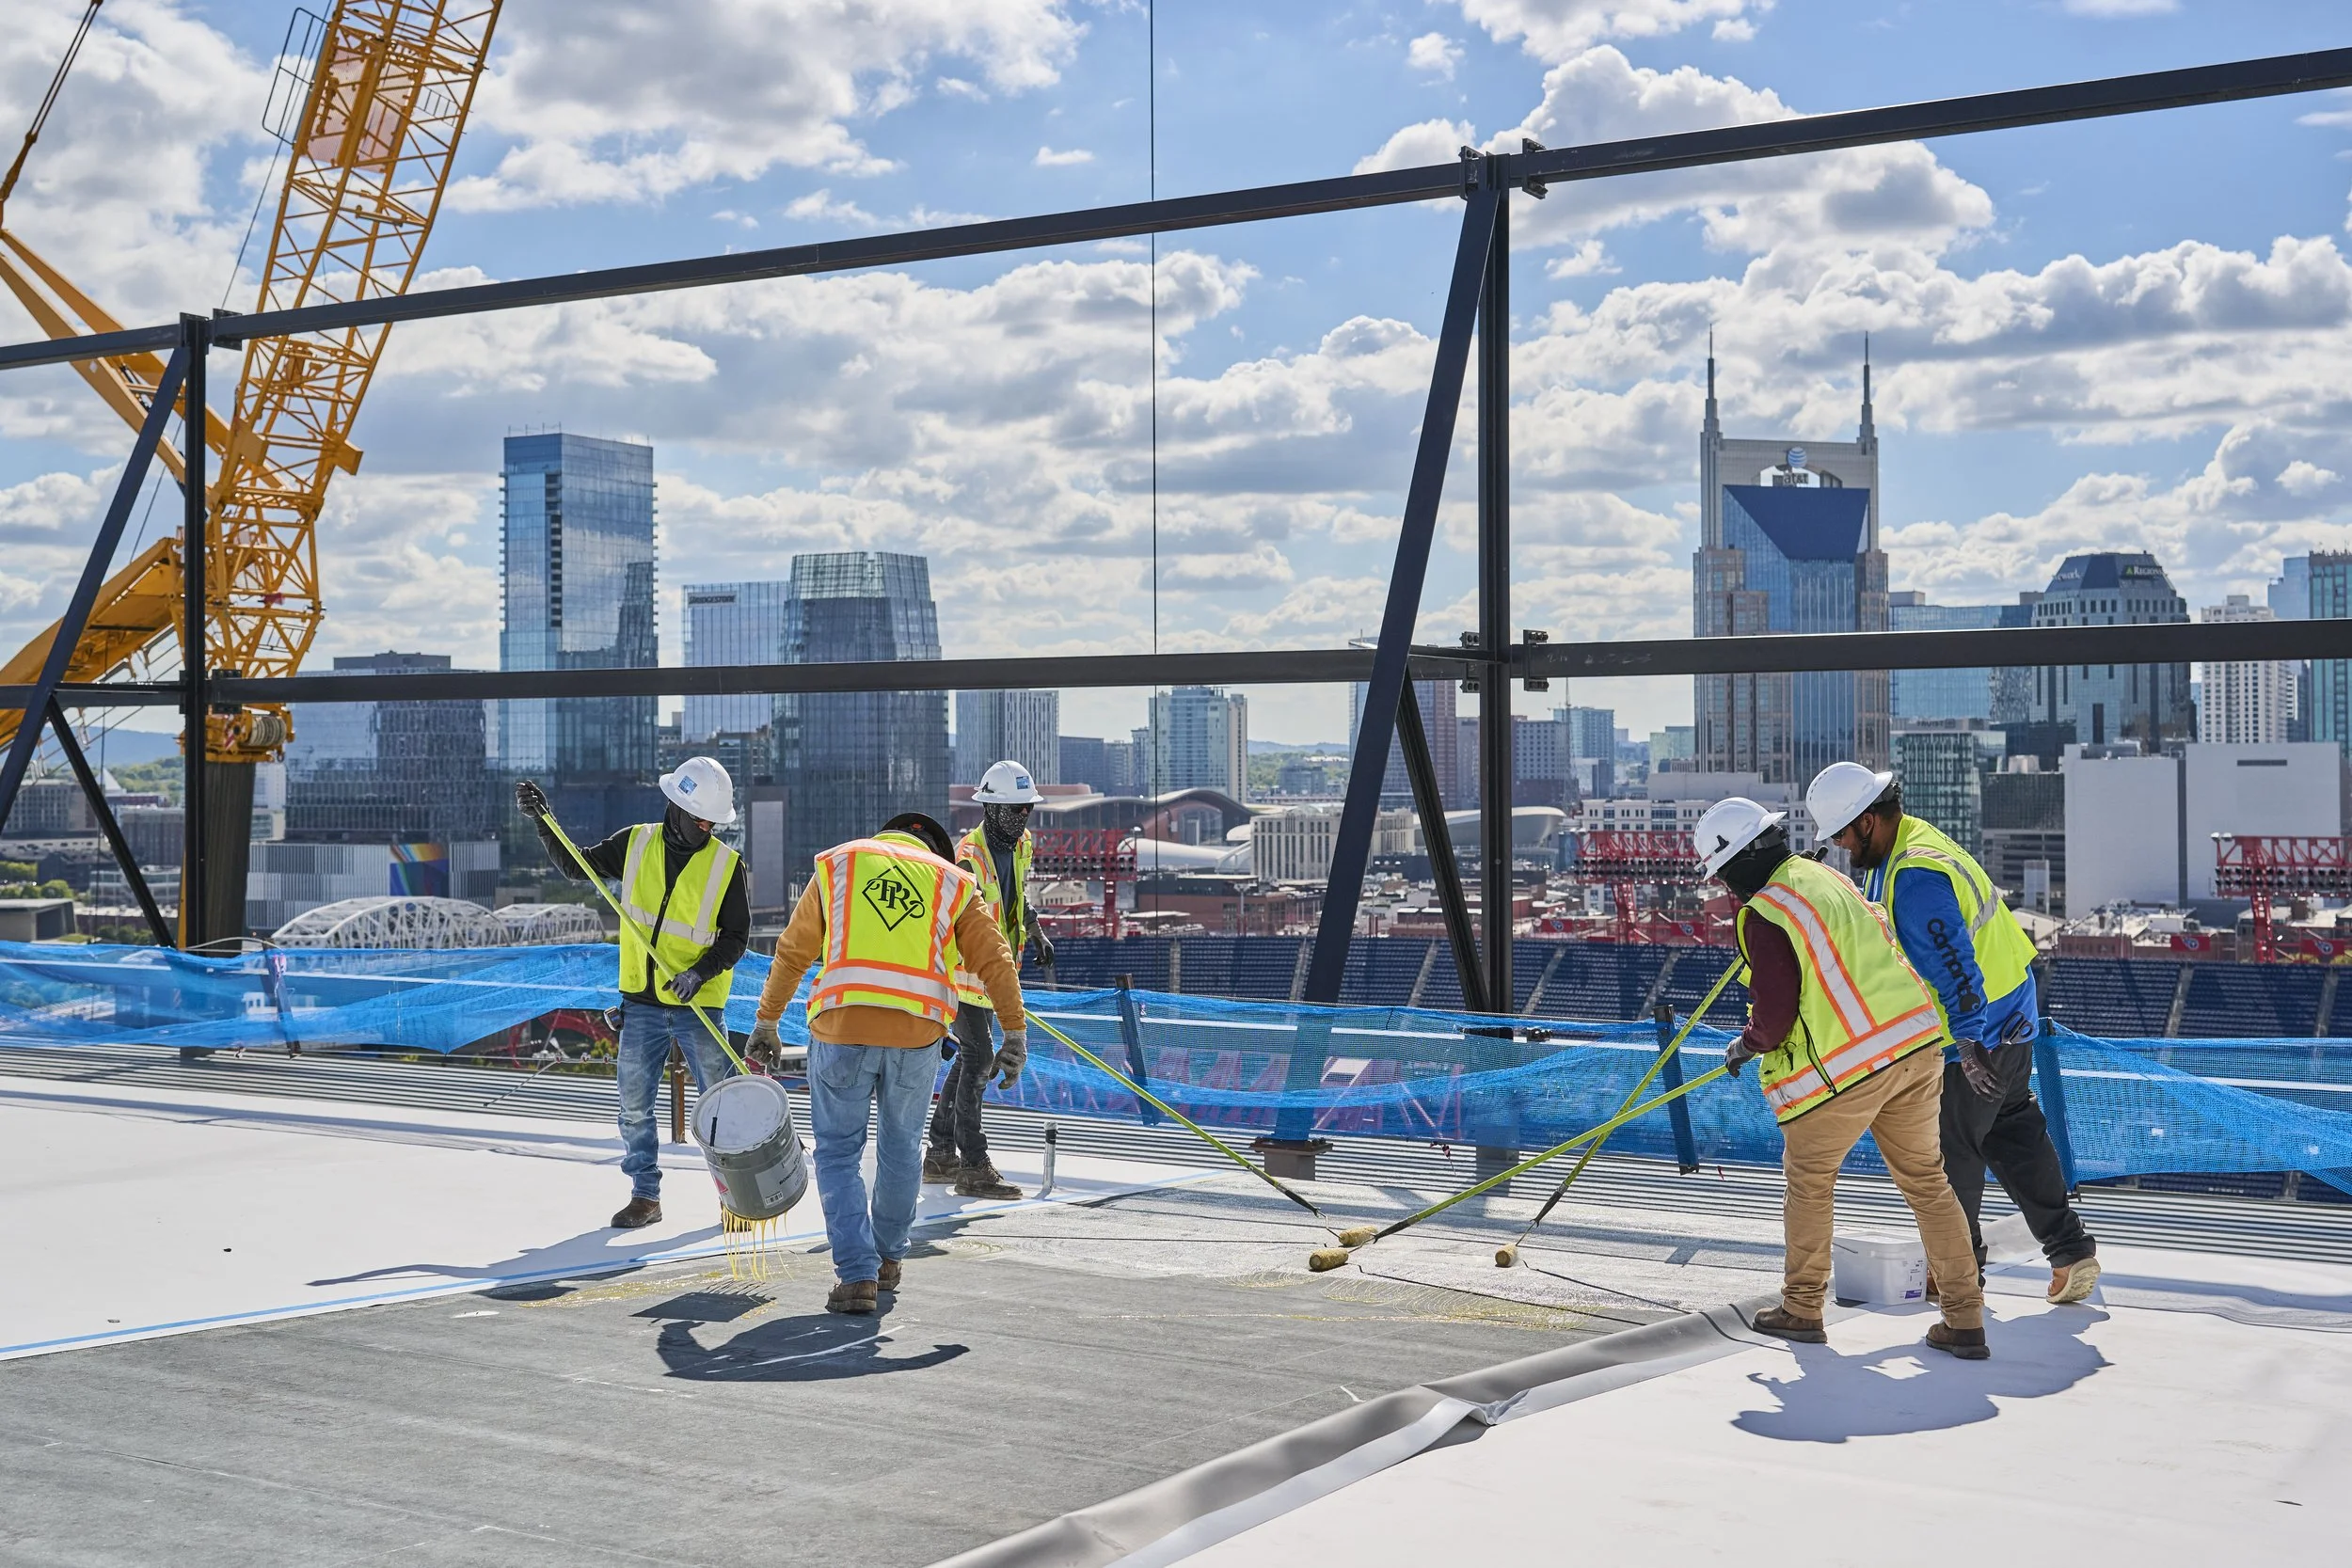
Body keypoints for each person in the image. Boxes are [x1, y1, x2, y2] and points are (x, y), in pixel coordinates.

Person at [1696, 796, 1993, 1359]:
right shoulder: (1826, 876)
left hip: (1850, 1066)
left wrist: (1747, 1044)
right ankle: (1965, 1318)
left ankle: (1803, 1308)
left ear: (1735, 864)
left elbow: (1777, 1015)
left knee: (1809, 1181)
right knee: (1929, 1184)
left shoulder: (1764, 914)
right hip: (1916, 1044)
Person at [1807, 761, 2100, 1306]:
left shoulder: (1915, 876)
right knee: (2013, 1130)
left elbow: (1956, 965)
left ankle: (1959, 1282)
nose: (1844, 848)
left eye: (1843, 835)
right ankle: (2071, 1252)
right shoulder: (1914, 843)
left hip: (1977, 1035)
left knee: (1950, 1154)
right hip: (2012, 1016)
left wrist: (1967, 1045)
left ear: (1868, 821)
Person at [747, 812, 1028, 1316]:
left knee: (837, 1156)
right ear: (934, 849)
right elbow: (996, 959)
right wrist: (1014, 1032)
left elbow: (792, 952)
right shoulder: (953, 880)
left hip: (842, 1029)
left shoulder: (841, 864)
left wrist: (767, 1022)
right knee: (901, 1153)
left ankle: (856, 1274)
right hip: (916, 1036)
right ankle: (888, 1263)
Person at [516, 758, 748, 1231]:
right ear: (677, 807)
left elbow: (736, 937)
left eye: (712, 822)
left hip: (697, 1006)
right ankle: (645, 1196)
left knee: (719, 1106)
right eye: (700, 819)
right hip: (641, 1003)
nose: (706, 828)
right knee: (635, 1104)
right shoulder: (635, 843)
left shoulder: (727, 865)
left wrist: (699, 974)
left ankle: (737, 1197)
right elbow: (575, 866)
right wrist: (545, 823)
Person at [926, 759, 1055, 1199]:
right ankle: (973, 1166)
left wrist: (1034, 930)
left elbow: (1016, 897)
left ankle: (940, 1153)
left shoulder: (1021, 845)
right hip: (962, 976)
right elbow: (958, 924)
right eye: (1016, 809)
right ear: (992, 808)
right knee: (979, 1057)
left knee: (967, 1061)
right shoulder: (966, 857)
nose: (1023, 816)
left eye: (1027, 808)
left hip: (994, 977)